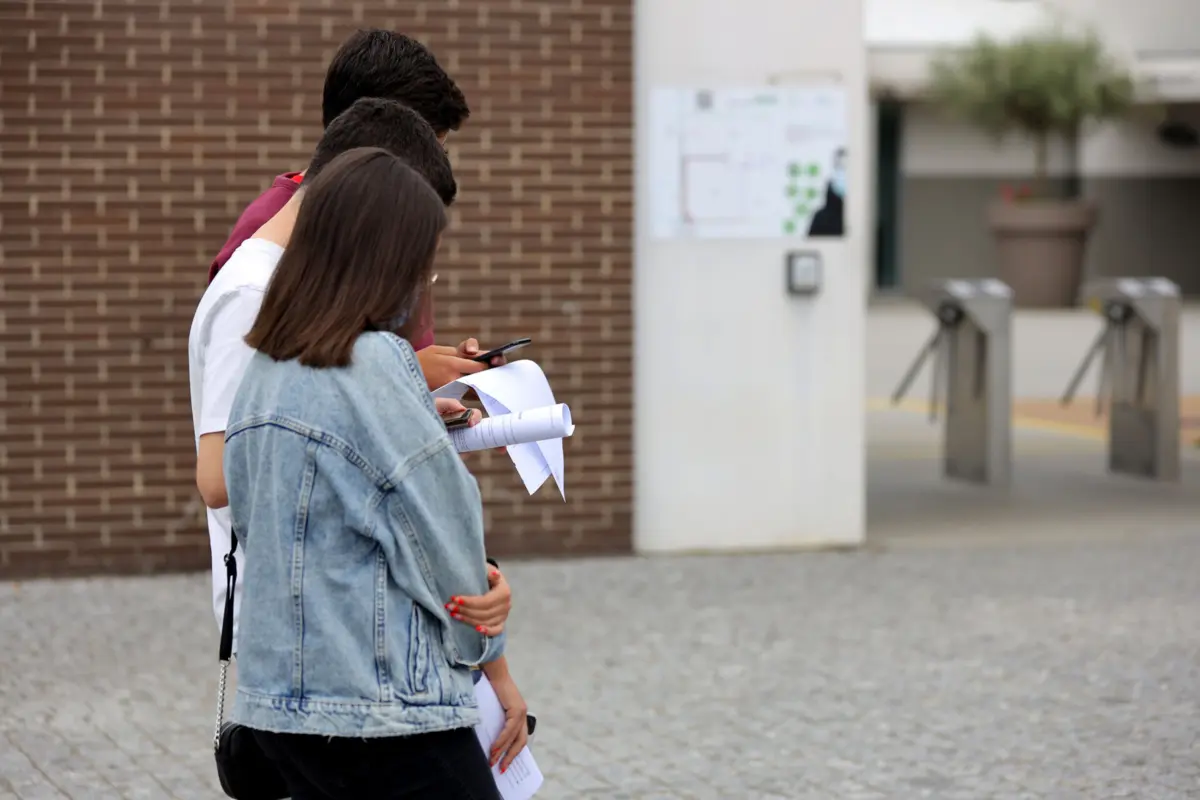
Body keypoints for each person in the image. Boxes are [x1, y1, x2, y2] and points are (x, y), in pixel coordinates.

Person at [225, 145, 513, 798]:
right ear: (393, 263)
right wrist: (485, 625)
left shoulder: (267, 365)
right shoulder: (375, 361)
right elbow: (443, 534)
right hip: (381, 709)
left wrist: (412, 417)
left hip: (278, 708)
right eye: (425, 263)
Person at [209, 28, 486, 391]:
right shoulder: (262, 250)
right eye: (424, 156)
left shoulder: (374, 225)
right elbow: (266, 402)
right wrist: (404, 371)